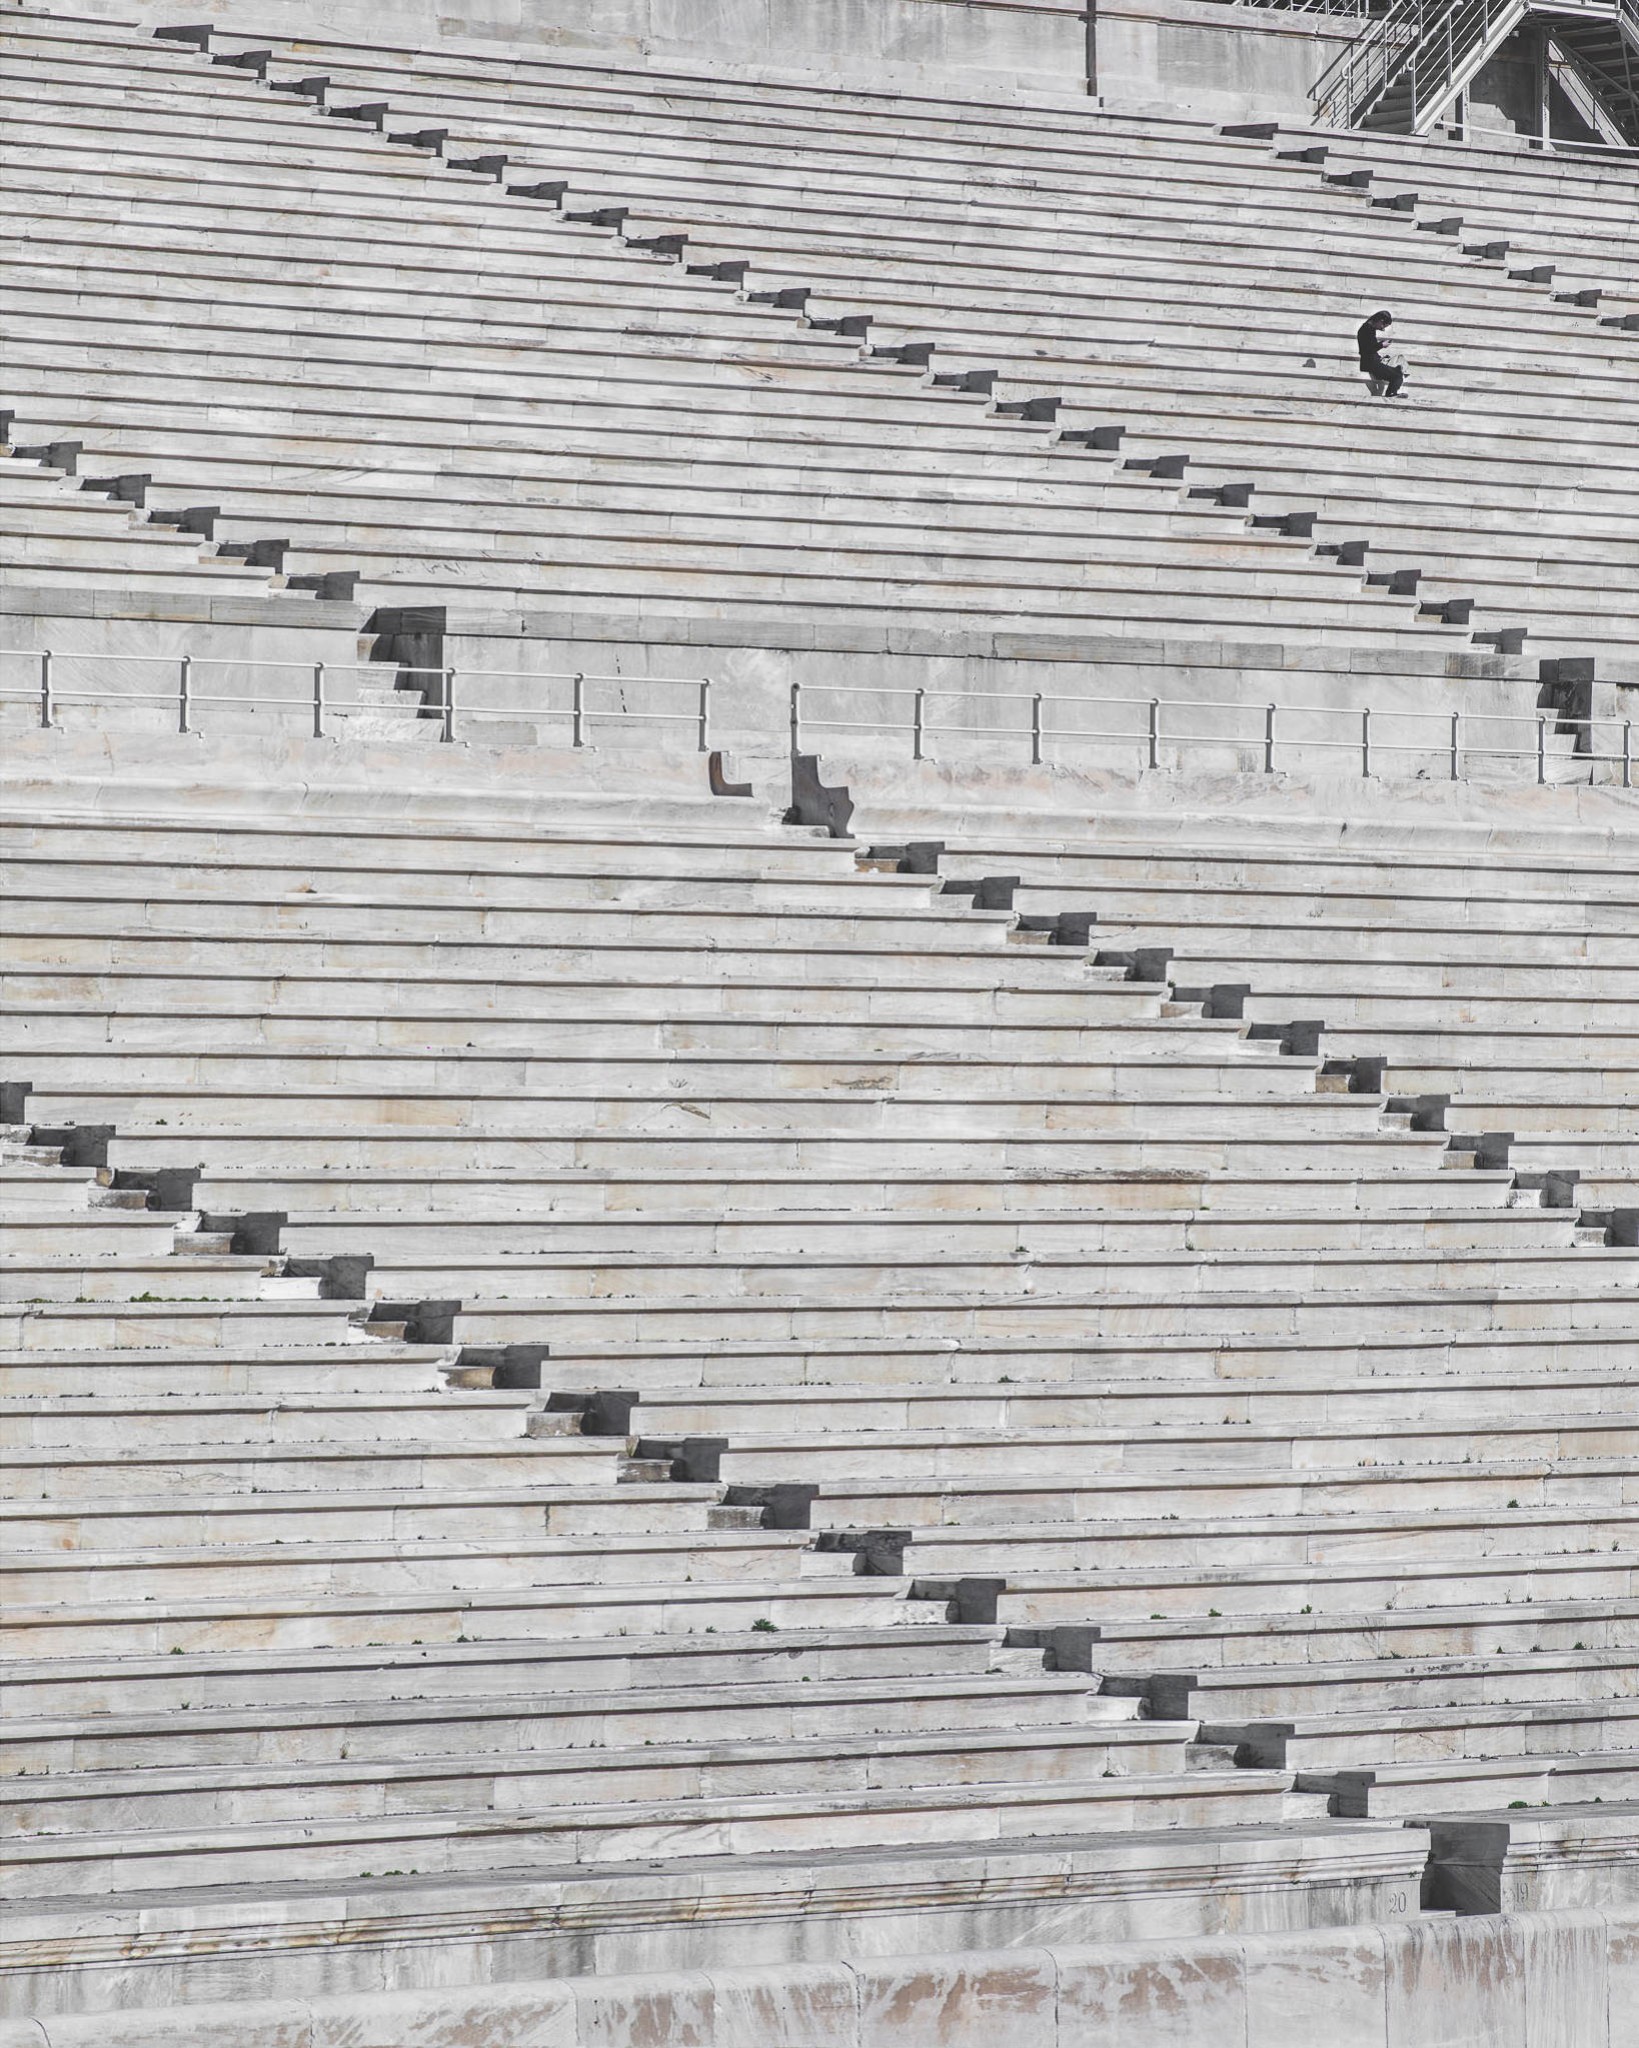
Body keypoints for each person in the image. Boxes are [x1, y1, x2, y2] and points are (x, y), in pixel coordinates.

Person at [1357, 310, 1405, 398]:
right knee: (1398, 375)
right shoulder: (1367, 330)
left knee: (1398, 368)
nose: (1382, 328)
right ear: (1380, 321)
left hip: (1372, 361)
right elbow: (1367, 349)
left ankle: (1391, 393)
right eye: (1383, 326)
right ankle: (1391, 393)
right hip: (1371, 364)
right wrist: (1382, 345)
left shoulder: (1368, 328)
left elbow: (1370, 347)